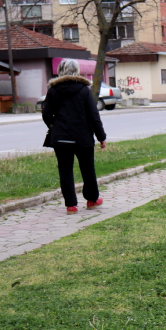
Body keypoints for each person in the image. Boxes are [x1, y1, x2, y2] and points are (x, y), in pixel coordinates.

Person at [42, 59, 107, 214]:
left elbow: (46, 114)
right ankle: (92, 200)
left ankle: (71, 205)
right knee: (88, 169)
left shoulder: (53, 90)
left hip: (60, 138)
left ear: (60, 70)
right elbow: (93, 115)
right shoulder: (84, 90)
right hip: (82, 137)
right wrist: (101, 137)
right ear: (77, 71)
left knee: (65, 170)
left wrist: (54, 126)